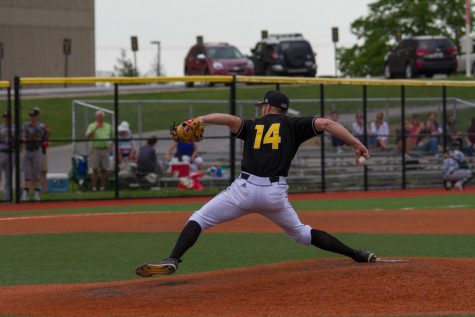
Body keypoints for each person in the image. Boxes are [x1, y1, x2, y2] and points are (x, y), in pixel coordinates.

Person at [135, 90, 376, 278]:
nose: (261, 109)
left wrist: (201, 118)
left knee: (199, 218)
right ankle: (356, 254)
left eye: (263, 105)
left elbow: (229, 119)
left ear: (269, 106)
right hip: (274, 194)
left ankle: (173, 259)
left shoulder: (252, 125)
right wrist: (355, 143)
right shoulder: (293, 125)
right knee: (303, 234)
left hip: (243, 190)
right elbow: (326, 124)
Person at [22, 107, 48, 201]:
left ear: (37, 117)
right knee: (27, 172)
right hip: (27, 150)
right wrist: (26, 138)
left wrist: (31, 138)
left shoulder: (41, 126)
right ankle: (26, 191)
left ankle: (37, 192)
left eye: (34, 116)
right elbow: (24, 136)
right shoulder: (26, 125)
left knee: (36, 172)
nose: (32, 118)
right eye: (31, 116)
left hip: (36, 150)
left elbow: (40, 137)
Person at [85, 110, 114, 191]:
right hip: (95, 149)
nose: (100, 118)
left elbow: (113, 137)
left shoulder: (108, 126)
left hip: (105, 149)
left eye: (101, 116)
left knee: (104, 169)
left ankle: (103, 187)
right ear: (96, 117)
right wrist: (95, 128)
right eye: (99, 116)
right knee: (94, 169)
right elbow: (87, 137)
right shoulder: (91, 125)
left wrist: (111, 146)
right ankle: (94, 187)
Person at [0, 112, 15, 201]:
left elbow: (16, 138)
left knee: (9, 176)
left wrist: (7, 135)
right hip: (1, 152)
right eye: (5, 117)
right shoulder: (0, 127)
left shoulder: (14, 128)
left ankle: (7, 197)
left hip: (10, 153)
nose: (6, 119)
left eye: (8, 117)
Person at [40, 123, 50, 193]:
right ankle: (35, 190)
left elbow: (47, 145)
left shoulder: (45, 135)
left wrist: (47, 133)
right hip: (37, 153)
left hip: (43, 153)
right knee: (38, 172)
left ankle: (44, 189)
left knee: (44, 171)